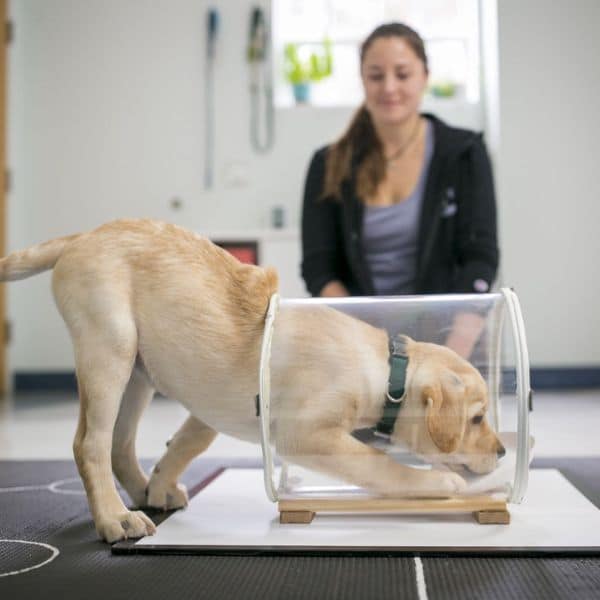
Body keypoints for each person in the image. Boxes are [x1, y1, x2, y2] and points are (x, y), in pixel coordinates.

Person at [300, 22, 499, 358]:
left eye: (403, 74)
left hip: (449, 340)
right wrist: (367, 345)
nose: (389, 87)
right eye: (376, 76)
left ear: (425, 75)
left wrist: (446, 360)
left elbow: (479, 260)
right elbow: (319, 268)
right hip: (359, 346)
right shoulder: (328, 164)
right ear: (363, 80)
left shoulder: (464, 154)